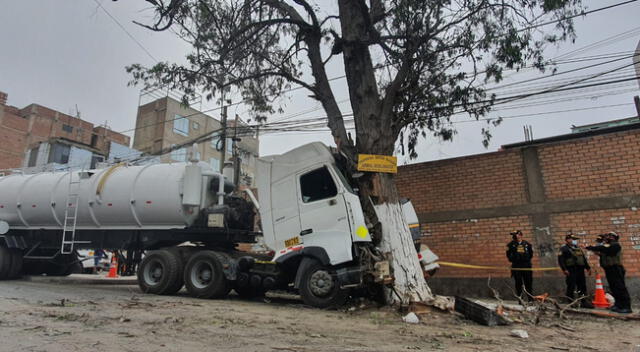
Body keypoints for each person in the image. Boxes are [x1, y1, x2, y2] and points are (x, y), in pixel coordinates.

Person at [586, 232, 632, 314]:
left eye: (610, 236)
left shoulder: (615, 245)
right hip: (609, 269)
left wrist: (591, 247)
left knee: (620, 288)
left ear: (614, 238)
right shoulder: (608, 247)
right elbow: (603, 252)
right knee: (613, 287)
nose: (607, 238)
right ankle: (618, 305)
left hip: (616, 269)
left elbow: (604, 248)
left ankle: (626, 307)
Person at [557, 234, 593, 308]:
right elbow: (561, 260)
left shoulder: (577, 248)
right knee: (571, 286)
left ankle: (583, 301)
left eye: (574, 239)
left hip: (580, 269)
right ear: (567, 240)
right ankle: (571, 301)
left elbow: (583, 259)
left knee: (582, 286)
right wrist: (564, 269)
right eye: (572, 239)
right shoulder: (563, 249)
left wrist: (588, 268)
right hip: (571, 270)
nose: (573, 241)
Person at [506, 230, 534, 300]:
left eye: (516, 235)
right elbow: (508, 255)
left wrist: (525, 260)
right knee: (518, 283)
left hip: (526, 266)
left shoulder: (527, 244)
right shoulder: (510, 245)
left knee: (528, 283)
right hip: (516, 266)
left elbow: (531, 255)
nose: (514, 237)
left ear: (520, 235)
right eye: (513, 235)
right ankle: (520, 299)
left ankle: (530, 299)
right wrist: (514, 259)